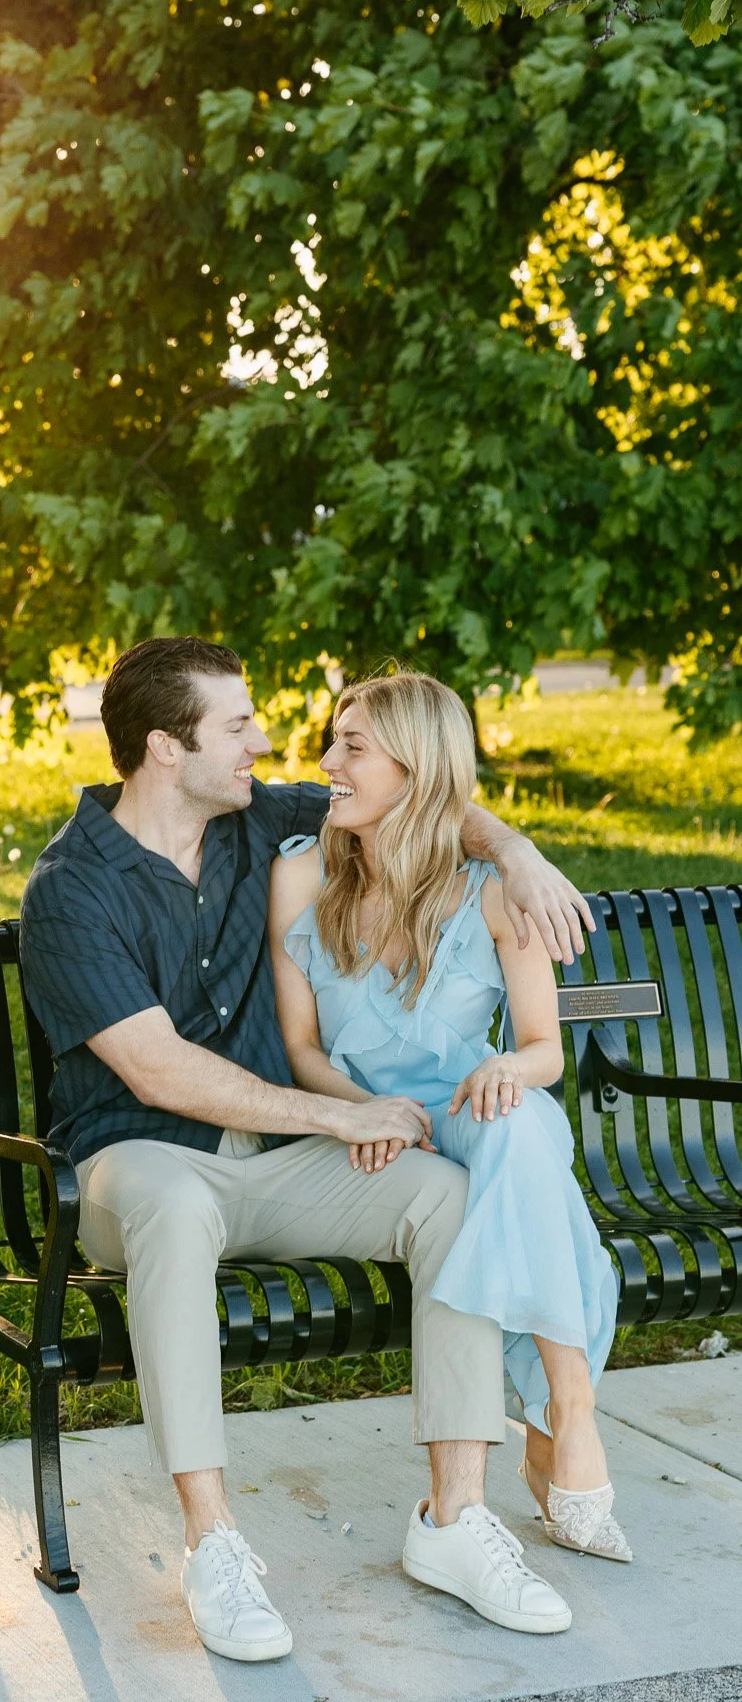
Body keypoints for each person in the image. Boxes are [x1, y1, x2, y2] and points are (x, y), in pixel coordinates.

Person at [18, 636, 597, 1664]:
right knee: (175, 1202)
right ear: (164, 746)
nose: (266, 743)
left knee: (445, 1197)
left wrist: (515, 851)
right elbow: (160, 1073)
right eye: (238, 726)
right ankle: (214, 1542)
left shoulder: (256, 822)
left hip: (274, 1160)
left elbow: (427, 794)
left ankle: (455, 1519)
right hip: (135, 1160)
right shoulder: (69, 889)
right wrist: (340, 1113)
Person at [271, 669, 627, 1582]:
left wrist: (510, 1063)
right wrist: (362, 1112)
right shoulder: (301, 876)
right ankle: (558, 1421)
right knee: (525, 1144)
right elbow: (303, 1052)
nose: (327, 762)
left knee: (518, 1123)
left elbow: (543, 1048)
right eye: (331, 740)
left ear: (417, 765)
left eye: (352, 746)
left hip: (472, 1111)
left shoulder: (493, 893)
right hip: (365, 1134)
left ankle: (569, 1404)